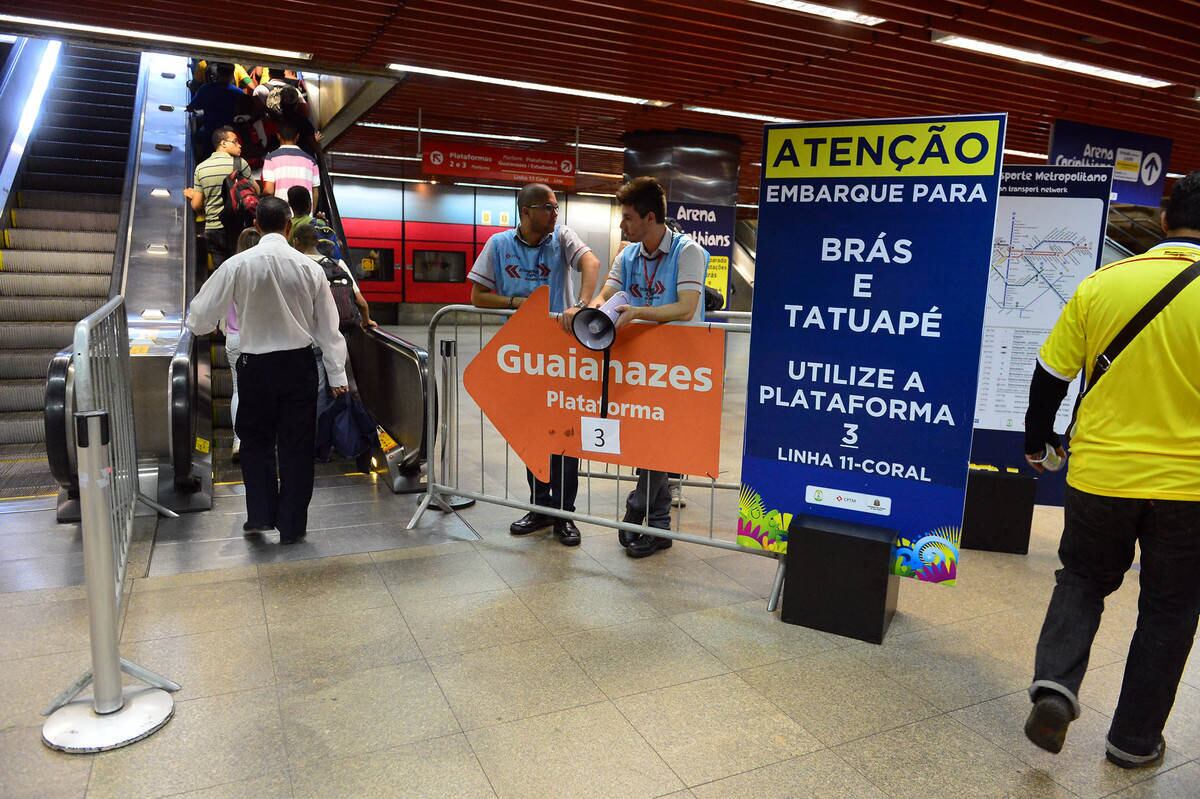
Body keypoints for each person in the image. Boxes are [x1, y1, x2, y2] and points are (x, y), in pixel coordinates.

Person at [1021, 171, 1200, 768]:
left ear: (1166, 219)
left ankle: (1055, 687)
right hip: (1190, 488)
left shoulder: (1103, 283)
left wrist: (1037, 440)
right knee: (1171, 608)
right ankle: (1132, 740)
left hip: (1101, 473)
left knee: (1081, 579)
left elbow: (1050, 375)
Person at [185, 197, 349, 545]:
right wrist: (337, 376)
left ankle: (260, 515)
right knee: (297, 446)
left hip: (255, 367)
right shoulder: (310, 268)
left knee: (256, 443)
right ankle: (291, 525)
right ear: (289, 227)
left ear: (256, 226)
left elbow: (198, 318)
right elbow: (328, 328)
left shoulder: (237, 265)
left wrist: (211, 323)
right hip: (299, 366)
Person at [468, 182, 602, 546]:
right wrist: (517, 304)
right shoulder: (498, 244)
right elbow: (477, 294)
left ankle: (565, 514)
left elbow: (591, 262)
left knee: (565, 433)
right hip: (521, 356)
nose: (555, 214)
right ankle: (540, 507)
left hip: (562, 354)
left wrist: (584, 303)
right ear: (526, 211)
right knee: (532, 432)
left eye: (556, 207)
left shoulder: (561, 237)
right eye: (548, 207)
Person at [587, 176, 706, 558]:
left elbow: (686, 307)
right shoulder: (629, 254)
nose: (622, 225)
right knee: (648, 441)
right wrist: (589, 305)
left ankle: (643, 508)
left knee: (664, 444)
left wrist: (641, 311)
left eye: (627, 218)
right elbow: (608, 289)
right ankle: (656, 525)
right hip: (641, 364)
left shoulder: (688, 252)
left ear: (649, 216)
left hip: (684, 365)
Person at [185, 126, 257, 270]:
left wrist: (193, 194)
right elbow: (256, 190)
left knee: (222, 272)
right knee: (241, 269)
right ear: (223, 143)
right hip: (237, 228)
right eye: (235, 141)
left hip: (213, 229)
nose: (239, 145)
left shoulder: (201, 168)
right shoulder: (240, 164)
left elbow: (196, 205)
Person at [223, 227, 262, 464]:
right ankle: (259, 437)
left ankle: (239, 441)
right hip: (259, 338)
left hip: (234, 337)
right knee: (261, 391)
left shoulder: (230, 268)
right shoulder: (263, 271)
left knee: (238, 389)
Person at [187, 63, 244, 161]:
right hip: (229, 132)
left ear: (218, 73)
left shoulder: (205, 89)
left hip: (209, 131)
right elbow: (242, 111)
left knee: (202, 149)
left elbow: (192, 107)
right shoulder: (238, 93)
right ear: (232, 75)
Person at [262, 122, 320, 206]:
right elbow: (315, 192)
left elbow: (269, 190)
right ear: (297, 137)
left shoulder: (270, 159)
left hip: (281, 214)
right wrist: (311, 214)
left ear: (278, 136)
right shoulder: (311, 161)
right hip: (305, 216)